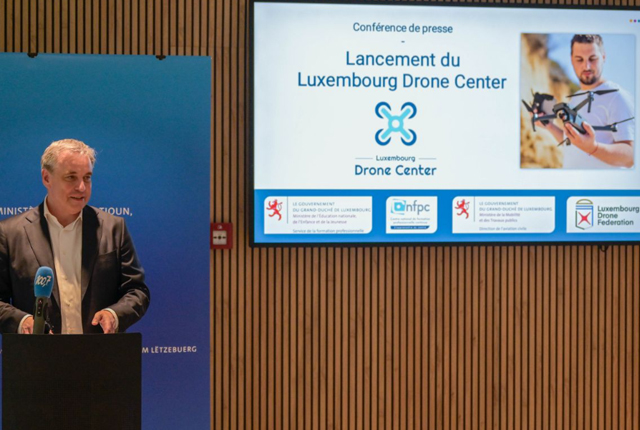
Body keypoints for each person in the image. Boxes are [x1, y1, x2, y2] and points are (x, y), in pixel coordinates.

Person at [0, 139, 150, 334]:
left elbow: (137, 291)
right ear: (46, 178)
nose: (81, 187)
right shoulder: (9, 233)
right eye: (71, 177)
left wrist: (114, 314)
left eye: (87, 177)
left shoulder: (114, 227)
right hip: (36, 352)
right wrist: (23, 322)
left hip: (99, 350)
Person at [535, 34, 634, 169]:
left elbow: (631, 156)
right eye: (579, 59)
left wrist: (593, 148)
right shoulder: (576, 98)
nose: (586, 66)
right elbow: (573, 146)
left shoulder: (617, 96)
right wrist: (549, 126)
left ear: (603, 57)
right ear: (571, 59)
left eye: (592, 59)